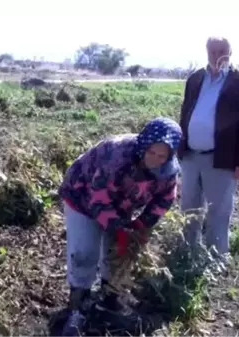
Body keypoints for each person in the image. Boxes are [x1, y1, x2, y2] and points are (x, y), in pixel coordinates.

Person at [57, 117, 182, 337]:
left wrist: (141, 225)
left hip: (122, 201)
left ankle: (109, 297)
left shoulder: (168, 171)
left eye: (162, 156)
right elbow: (98, 199)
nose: (155, 159)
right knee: (85, 251)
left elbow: (165, 198)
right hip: (82, 196)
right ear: (144, 145)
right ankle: (78, 305)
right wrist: (119, 229)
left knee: (119, 252)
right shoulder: (117, 155)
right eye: (151, 152)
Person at [178, 37, 239, 260]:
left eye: (222, 50)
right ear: (206, 52)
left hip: (221, 158)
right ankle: (188, 253)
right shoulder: (195, 78)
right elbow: (185, 112)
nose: (216, 55)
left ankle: (216, 259)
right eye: (212, 51)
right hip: (191, 156)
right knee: (189, 208)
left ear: (230, 52)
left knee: (218, 212)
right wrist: (180, 148)